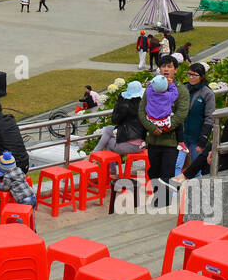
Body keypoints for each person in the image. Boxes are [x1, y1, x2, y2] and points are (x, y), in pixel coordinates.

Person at [180, 79, 228, 179]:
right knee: (210, 148)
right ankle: (185, 175)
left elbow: (223, 146)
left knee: (210, 152)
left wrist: (211, 153)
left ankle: (184, 176)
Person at [140, 55, 189, 203]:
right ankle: (159, 199)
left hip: (170, 142)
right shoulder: (151, 87)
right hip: (153, 140)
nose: (166, 69)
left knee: (166, 174)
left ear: (175, 70)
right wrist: (151, 127)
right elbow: (141, 111)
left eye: (169, 66)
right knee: (153, 172)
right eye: (163, 66)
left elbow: (181, 114)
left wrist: (165, 127)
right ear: (159, 69)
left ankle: (163, 203)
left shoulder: (180, 90)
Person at [174, 62, 214, 179]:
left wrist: (203, 139)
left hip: (198, 136)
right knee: (177, 164)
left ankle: (197, 190)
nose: (191, 77)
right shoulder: (183, 88)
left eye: (194, 75)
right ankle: (175, 190)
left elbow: (209, 117)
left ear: (201, 76)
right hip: (182, 135)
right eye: (189, 74)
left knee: (196, 166)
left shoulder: (208, 93)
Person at [91, 79, 147, 160]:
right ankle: (95, 155)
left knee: (108, 141)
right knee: (108, 129)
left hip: (132, 145)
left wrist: (119, 103)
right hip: (142, 144)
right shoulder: (144, 106)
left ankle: (94, 156)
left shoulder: (126, 107)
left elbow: (115, 120)